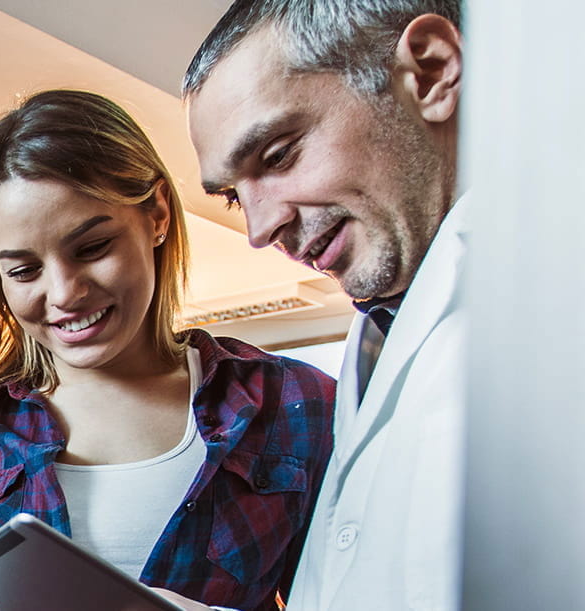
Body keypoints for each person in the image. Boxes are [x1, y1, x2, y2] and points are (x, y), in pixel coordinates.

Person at [0, 90, 336, 611]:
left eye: (92, 248)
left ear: (157, 214)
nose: (64, 294)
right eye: (25, 270)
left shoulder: (295, 404)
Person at [173, 1, 464, 609]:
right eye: (234, 197)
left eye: (278, 155)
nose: (259, 230)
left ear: (430, 73)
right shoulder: (381, 327)